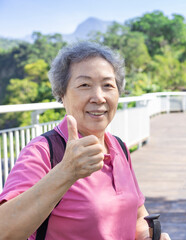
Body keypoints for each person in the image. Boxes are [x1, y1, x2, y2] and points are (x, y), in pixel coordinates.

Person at [0, 41, 170, 240]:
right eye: (84, 85)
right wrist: (66, 172)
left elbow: (138, 215)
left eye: (108, 85)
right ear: (62, 94)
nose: (98, 97)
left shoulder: (118, 147)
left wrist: (147, 236)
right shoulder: (42, 152)